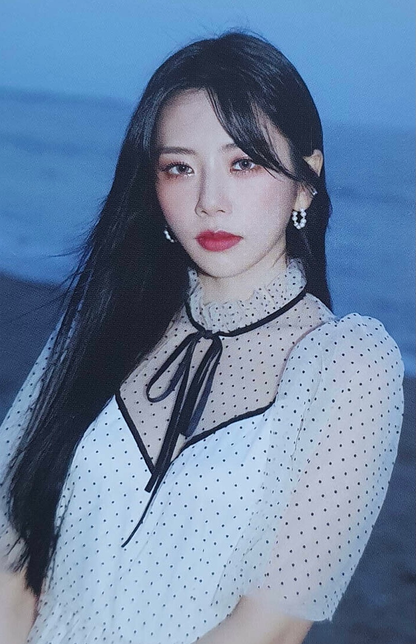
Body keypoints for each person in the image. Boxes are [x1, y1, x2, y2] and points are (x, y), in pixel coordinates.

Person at [0, 30, 404, 644]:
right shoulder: (101, 321)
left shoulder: (345, 365)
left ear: (305, 180)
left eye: (243, 163)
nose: (210, 201)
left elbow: (270, 626)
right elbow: (12, 556)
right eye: (180, 168)